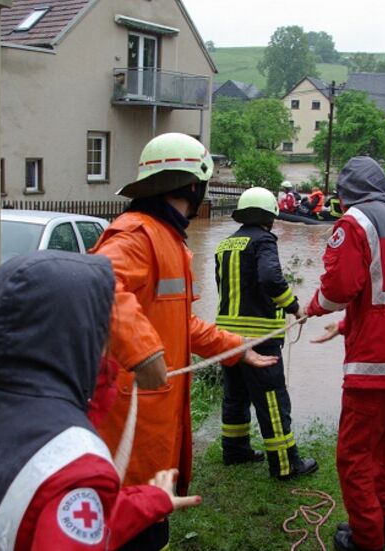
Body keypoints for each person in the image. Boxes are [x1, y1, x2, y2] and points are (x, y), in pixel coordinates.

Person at [0, 251, 200, 550]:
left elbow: (54, 512)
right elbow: (64, 504)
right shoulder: (76, 460)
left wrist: (150, 501)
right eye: (102, 330)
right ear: (76, 337)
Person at [91, 132, 276, 551]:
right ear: (195, 187)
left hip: (156, 415)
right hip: (133, 418)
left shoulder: (166, 238)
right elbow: (99, 285)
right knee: (131, 526)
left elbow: (180, 324)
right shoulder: (136, 235)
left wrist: (234, 347)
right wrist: (144, 353)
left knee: (153, 520)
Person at [304, 156, 385, 551]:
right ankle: (382, 528)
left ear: (346, 195)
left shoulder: (354, 222)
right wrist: (345, 326)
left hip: (376, 361)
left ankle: (368, 540)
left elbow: (339, 288)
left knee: (354, 456)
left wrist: (314, 307)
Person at [214, 187, 318, 480]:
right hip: (259, 337)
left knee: (235, 395)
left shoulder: (224, 245)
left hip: (227, 337)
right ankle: (286, 464)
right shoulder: (264, 240)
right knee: (272, 400)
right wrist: (293, 306)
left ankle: (235, 450)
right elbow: (271, 278)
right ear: (270, 217)